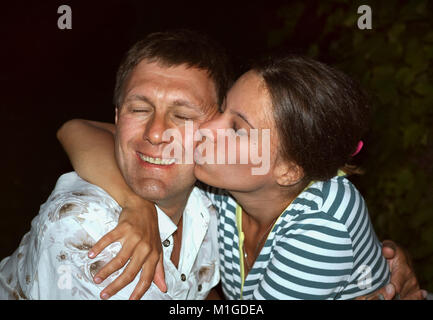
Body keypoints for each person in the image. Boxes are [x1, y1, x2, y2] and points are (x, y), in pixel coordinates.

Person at [57, 53, 426, 299]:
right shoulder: (230, 187)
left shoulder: (321, 227)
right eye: (224, 108)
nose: (208, 128)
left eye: (237, 128)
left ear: (288, 170)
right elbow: (79, 130)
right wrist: (135, 204)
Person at [0, 29, 233, 300]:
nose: (156, 133)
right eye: (139, 110)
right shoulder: (84, 232)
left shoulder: (213, 203)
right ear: (117, 119)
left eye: (182, 115)